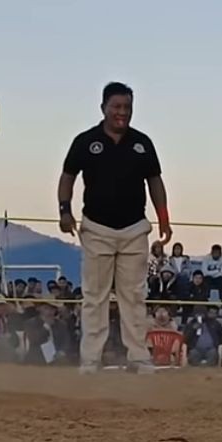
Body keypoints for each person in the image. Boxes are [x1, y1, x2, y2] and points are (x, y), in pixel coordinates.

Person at [57, 81, 172, 375]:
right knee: (94, 296)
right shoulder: (85, 141)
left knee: (134, 296)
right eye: (117, 107)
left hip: (135, 229)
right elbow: (68, 176)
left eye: (127, 108)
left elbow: (155, 181)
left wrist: (164, 219)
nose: (122, 113)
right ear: (104, 108)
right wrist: (64, 210)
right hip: (96, 229)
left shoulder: (142, 143)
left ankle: (138, 357)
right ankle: (91, 360)